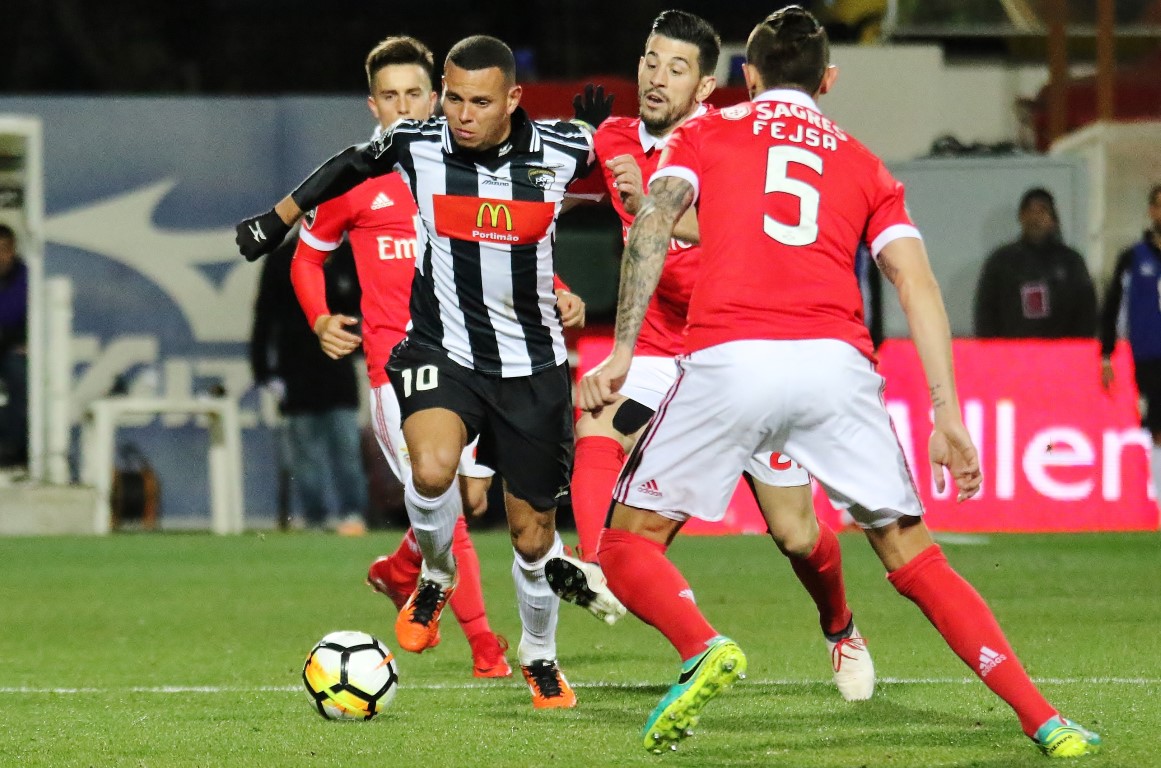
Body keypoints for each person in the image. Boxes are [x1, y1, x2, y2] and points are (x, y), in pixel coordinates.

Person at [580, 6, 1100, 758]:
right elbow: (917, 285)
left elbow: (657, 221)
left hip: (731, 356)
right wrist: (944, 414)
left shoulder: (707, 133)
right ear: (827, 80)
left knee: (628, 547)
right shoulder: (862, 162)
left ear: (745, 77)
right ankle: (1043, 720)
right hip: (836, 365)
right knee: (915, 557)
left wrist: (622, 349)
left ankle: (702, 646)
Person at [236, 34, 622, 709]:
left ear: (512, 100)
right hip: (438, 350)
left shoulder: (560, 152)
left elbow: (618, 156)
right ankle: (436, 575)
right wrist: (277, 220)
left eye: (478, 102)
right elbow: (348, 164)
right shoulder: (419, 145)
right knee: (433, 470)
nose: (461, 114)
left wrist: (616, 149)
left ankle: (539, 654)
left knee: (533, 536)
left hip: (529, 366)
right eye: (452, 98)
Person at [547, 9, 873, 703]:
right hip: (663, 345)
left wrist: (660, 209)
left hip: (739, 344)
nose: (655, 76)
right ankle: (595, 566)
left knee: (793, 532)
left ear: (703, 88)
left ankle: (839, 625)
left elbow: (745, 227)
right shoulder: (612, 138)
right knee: (597, 418)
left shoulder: (726, 140)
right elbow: (540, 195)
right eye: (648, 59)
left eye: (675, 67)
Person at [249, 231, 368, 532]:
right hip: (296, 370)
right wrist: (264, 371)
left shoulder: (349, 257)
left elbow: (368, 307)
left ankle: (353, 515)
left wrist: (370, 351)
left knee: (346, 448)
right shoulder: (281, 260)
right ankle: (316, 518)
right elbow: (265, 316)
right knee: (305, 456)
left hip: (338, 369)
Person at [1100, 183, 1161, 509]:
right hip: (1150, 356)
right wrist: (1106, 353)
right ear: (1151, 211)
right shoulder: (1132, 258)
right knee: (1157, 429)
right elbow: (1111, 307)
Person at [974, 187, 1097, 338]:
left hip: (1061, 354)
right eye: (1030, 211)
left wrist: (1077, 351)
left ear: (1053, 219)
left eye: (1042, 211)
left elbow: (1086, 313)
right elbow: (986, 313)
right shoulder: (1001, 261)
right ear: (1021, 217)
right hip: (1012, 354)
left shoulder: (1071, 262)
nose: (1035, 218)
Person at [0, 224, 27, 468]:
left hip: (13, 348)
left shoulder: (27, 278)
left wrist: (29, 342)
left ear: (13, 251)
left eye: (4, 250)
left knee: (19, 371)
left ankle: (12, 448)